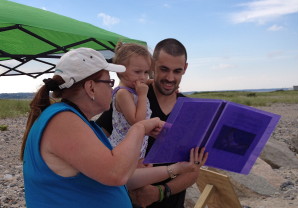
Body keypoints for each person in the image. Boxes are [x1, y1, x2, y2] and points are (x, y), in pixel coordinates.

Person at [21, 47, 207, 208]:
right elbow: (116, 174)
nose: (113, 88)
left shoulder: (78, 121)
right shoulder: (62, 120)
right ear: (90, 88)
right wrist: (140, 128)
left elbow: (125, 178)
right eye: (109, 82)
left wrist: (176, 168)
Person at [96, 38, 207, 207]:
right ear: (153, 65)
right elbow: (99, 145)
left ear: (185, 69)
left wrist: (159, 193)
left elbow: (193, 170)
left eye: (177, 71)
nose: (170, 78)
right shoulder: (131, 97)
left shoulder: (192, 111)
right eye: (164, 69)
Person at [108, 42, 152, 158]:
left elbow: (147, 81)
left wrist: (158, 84)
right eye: (137, 72)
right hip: (123, 150)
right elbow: (137, 122)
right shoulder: (123, 93)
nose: (143, 77)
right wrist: (142, 96)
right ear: (120, 71)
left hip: (135, 147)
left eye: (146, 72)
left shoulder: (134, 86)